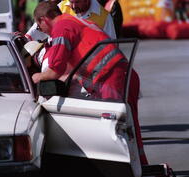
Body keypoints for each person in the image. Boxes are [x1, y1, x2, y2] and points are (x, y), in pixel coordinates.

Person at [31, 1, 148, 165]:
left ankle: (127, 169)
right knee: (130, 130)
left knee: (115, 134)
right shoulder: (77, 22)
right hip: (125, 75)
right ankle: (142, 166)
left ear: (44, 19)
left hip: (111, 79)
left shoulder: (61, 28)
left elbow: (54, 71)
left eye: (39, 26)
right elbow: (73, 65)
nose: (41, 31)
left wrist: (36, 78)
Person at [25, 0, 116, 41]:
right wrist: (24, 41)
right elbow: (38, 30)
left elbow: (112, 46)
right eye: (71, 2)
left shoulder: (104, 18)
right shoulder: (61, 8)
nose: (73, 6)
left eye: (77, 2)